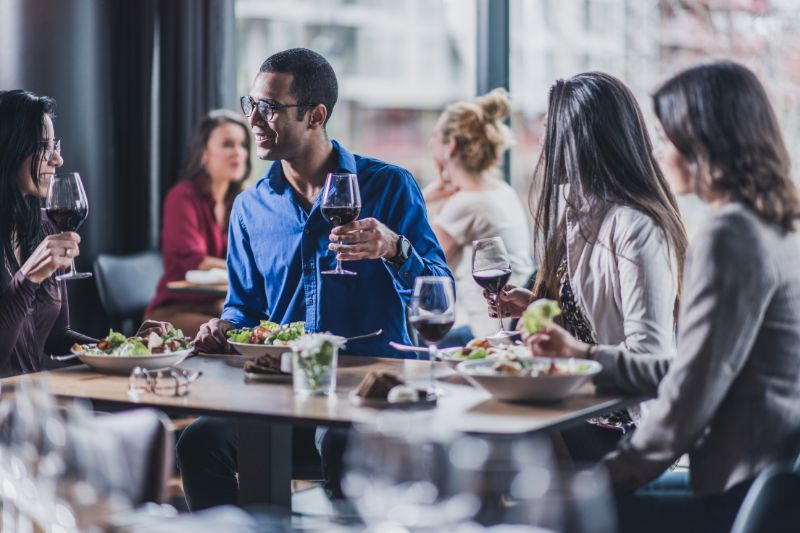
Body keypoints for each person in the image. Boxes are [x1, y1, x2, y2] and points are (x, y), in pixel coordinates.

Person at [527, 61, 800, 533]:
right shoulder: (777, 226)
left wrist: (608, 478)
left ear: (703, 143)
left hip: (733, 493)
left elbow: (686, 398)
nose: (658, 152)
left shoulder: (729, 233)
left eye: (667, 136)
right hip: (768, 485)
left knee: (553, 513)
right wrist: (581, 353)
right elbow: (692, 371)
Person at [176, 48, 451, 510]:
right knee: (200, 442)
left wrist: (395, 248)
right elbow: (244, 309)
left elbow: (441, 298)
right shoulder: (250, 208)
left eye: (269, 108)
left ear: (315, 115)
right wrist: (225, 328)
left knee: (342, 445)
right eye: (251, 105)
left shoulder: (389, 187)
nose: (255, 120)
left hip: (365, 391)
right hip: (279, 392)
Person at [486, 72, 688, 459]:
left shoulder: (635, 225)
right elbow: (595, 325)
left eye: (550, 128)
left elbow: (650, 358)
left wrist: (574, 353)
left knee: (498, 436)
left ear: (582, 139)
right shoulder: (580, 214)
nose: (543, 144)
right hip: (582, 408)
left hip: (623, 426)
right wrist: (536, 307)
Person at [0, 90, 165, 377]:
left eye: (56, 146)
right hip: (9, 412)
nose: (57, 160)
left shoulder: (42, 227)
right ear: (9, 148)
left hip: (37, 405)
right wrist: (27, 279)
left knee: (160, 420)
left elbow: (57, 337)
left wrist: (123, 349)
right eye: (44, 147)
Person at [424, 88, 533, 344]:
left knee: (419, 348)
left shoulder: (465, 204)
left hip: (493, 331)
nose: (430, 144)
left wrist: (422, 197)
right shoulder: (501, 190)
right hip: (517, 324)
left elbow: (425, 273)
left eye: (434, 137)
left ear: (449, 145)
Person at [145, 110, 252, 337]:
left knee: (262, 324)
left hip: (217, 305)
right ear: (204, 153)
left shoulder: (239, 201)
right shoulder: (182, 196)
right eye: (228, 144)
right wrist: (246, 269)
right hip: (175, 311)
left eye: (242, 145)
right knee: (238, 333)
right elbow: (196, 262)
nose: (239, 153)